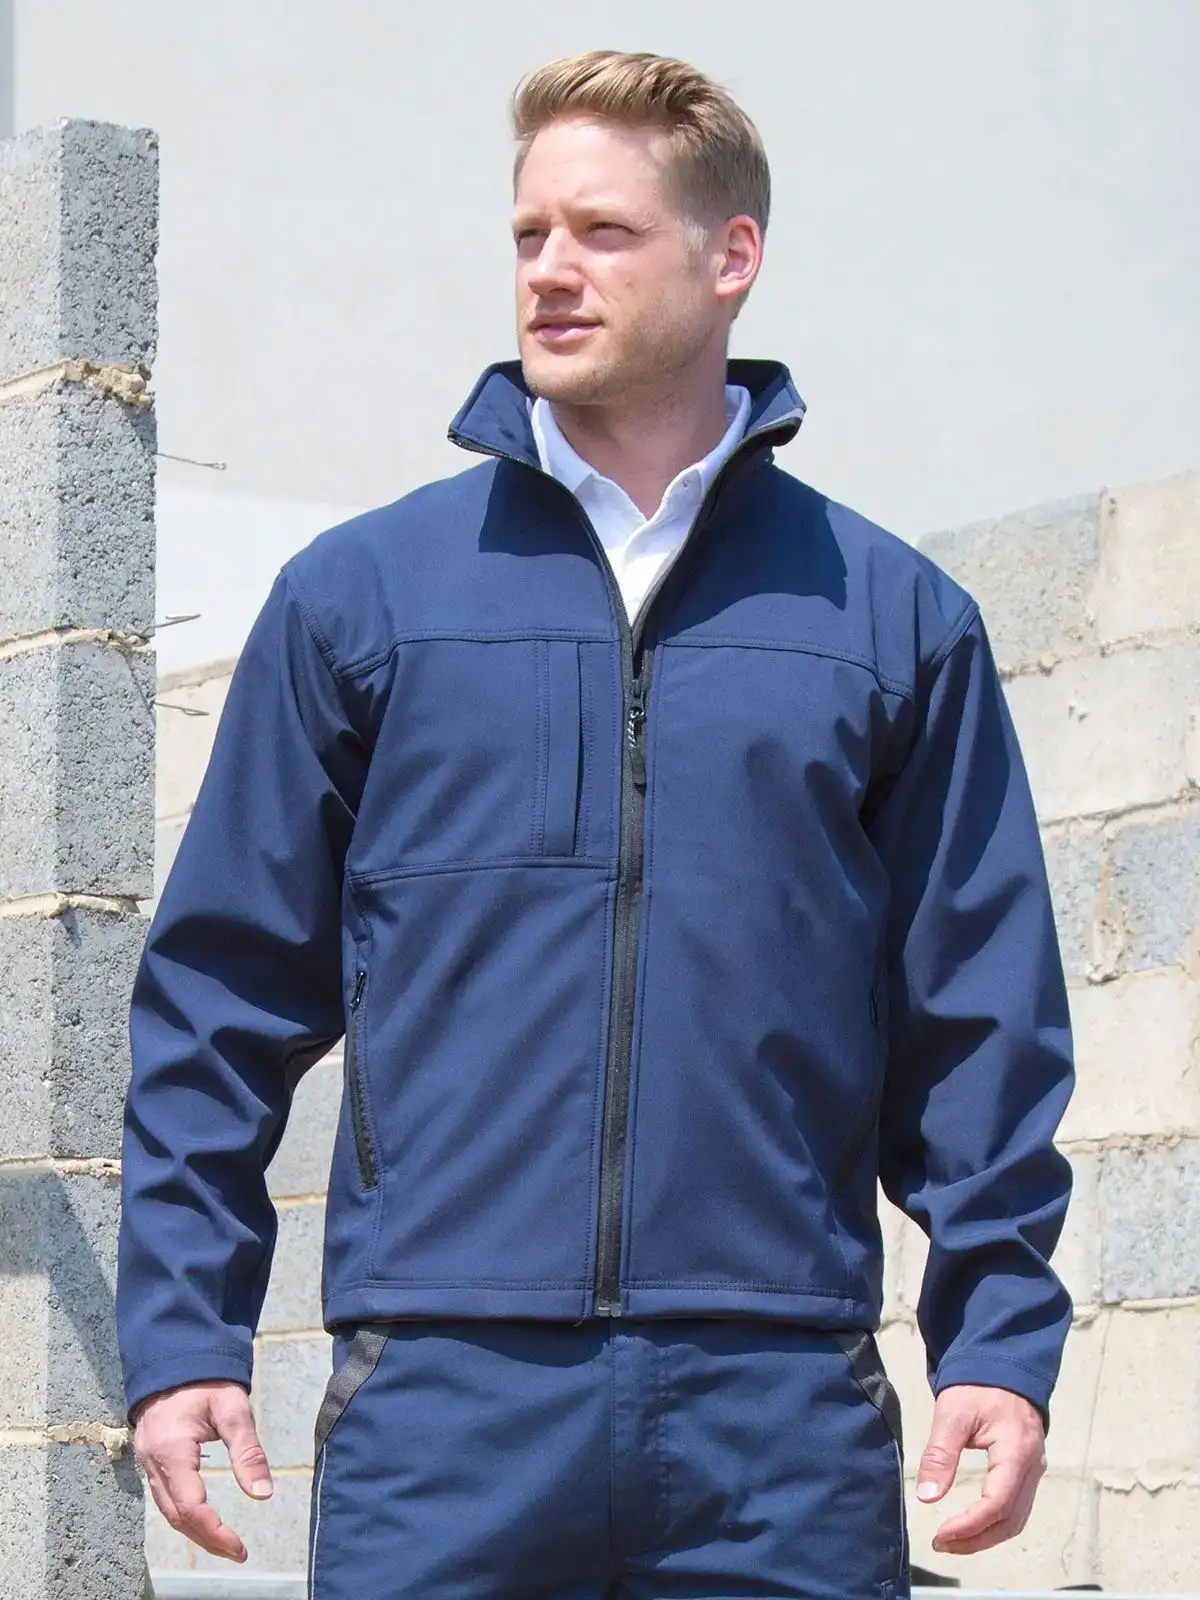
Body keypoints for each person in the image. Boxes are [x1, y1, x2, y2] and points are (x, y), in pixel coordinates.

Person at [119, 50, 1073, 1600]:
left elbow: (981, 1019)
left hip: (778, 1412)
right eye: (529, 234)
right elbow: (217, 998)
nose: (551, 270)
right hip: (446, 1400)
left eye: (604, 231)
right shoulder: (365, 601)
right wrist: (181, 1334)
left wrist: (1001, 1341)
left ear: (731, 257)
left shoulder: (892, 622)